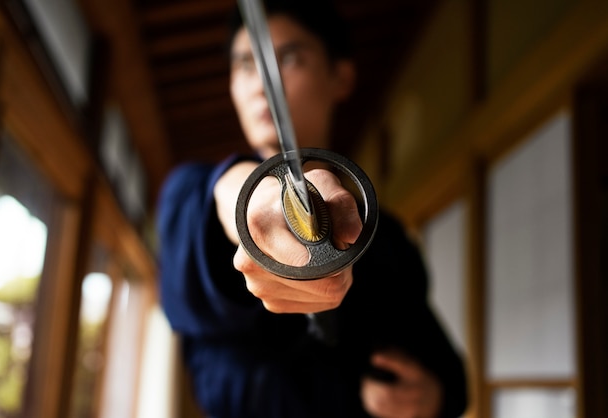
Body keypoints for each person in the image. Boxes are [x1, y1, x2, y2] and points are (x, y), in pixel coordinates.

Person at [156, 0, 468, 416]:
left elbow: (443, 366)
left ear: (340, 76)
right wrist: (257, 201)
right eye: (245, 65)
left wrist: (431, 397)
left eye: (289, 58)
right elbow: (223, 199)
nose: (261, 83)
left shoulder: (386, 236)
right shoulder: (190, 192)